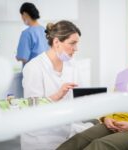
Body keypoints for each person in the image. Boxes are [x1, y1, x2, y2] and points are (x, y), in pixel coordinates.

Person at [56, 29, 128, 150]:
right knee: (77, 141)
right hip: (115, 123)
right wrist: (106, 118)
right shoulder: (124, 75)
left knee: (100, 145)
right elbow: (114, 103)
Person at [22, 20, 89, 150]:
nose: (76, 49)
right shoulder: (34, 67)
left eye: (77, 43)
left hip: (67, 129)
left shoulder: (72, 64)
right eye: (72, 43)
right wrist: (57, 96)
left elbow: (81, 95)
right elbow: (31, 108)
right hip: (42, 137)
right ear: (56, 42)